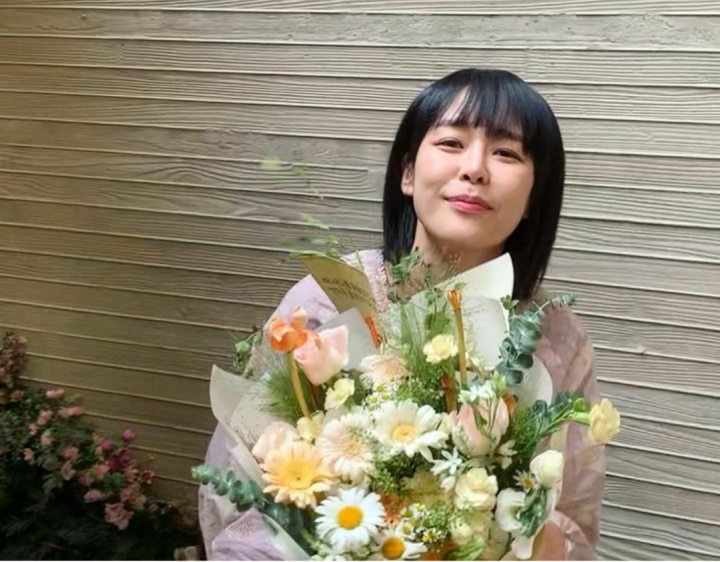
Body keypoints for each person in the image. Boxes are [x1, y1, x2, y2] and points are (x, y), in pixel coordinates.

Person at [199, 68, 605, 560]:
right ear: (407, 173)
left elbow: (573, 514)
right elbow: (239, 482)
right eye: (452, 143)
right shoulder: (329, 297)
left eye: (506, 153)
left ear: (532, 199)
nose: (475, 168)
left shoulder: (553, 336)